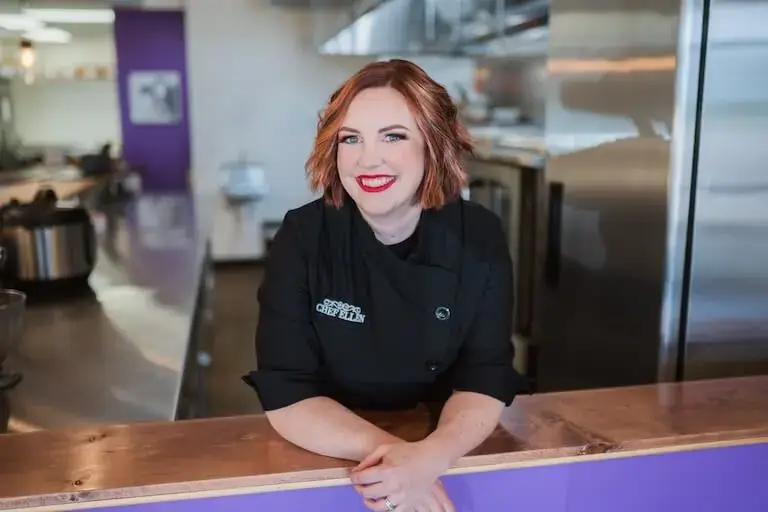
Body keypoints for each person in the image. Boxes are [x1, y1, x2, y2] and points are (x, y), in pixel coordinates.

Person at [243, 59, 524, 512]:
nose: (366, 158)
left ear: (434, 145)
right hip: (329, 447)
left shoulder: (479, 235)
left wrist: (431, 456)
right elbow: (287, 391)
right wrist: (398, 462)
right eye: (350, 139)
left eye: (393, 136)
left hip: (445, 438)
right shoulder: (303, 238)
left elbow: (484, 376)